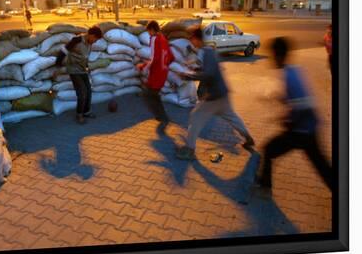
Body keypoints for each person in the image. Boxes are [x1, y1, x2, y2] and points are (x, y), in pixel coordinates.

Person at [256, 37, 332, 196]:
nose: (271, 59)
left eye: (272, 55)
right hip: (308, 128)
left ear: (278, 55)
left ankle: (264, 188)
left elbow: (303, 105)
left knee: (269, 149)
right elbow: (299, 99)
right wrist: (278, 98)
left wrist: (287, 120)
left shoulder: (289, 76)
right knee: (321, 166)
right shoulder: (293, 70)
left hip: (302, 131)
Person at [176, 26, 255, 160]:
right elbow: (206, 69)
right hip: (222, 94)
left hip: (214, 96)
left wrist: (188, 75)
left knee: (195, 117)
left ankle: (189, 149)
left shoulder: (206, 52)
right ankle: (248, 138)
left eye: (191, 38)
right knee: (233, 118)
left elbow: (209, 73)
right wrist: (194, 69)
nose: (190, 41)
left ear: (196, 38)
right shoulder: (207, 51)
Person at [55, 26, 103, 124]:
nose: (95, 42)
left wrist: (86, 67)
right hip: (73, 70)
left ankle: (86, 111)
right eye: (95, 39)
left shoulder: (89, 43)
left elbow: (84, 57)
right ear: (91, 35)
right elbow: (63, 51)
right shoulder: (76, 40)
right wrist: (58, 66)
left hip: (82, 70)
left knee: (88, 90)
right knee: (82, 92)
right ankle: (79, 114)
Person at [136, 21, 174, 127]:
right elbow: (171, 56)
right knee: (154, 95)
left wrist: (142, 67)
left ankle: (162, 117)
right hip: (163, 72)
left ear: (152, 30)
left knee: (147, 95)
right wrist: (165, 66)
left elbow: (154, 58)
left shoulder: (155, 39)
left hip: (156, 74)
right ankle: (161, 116)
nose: (148, 34)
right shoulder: (163, 38)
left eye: (148, 32)